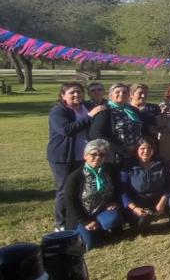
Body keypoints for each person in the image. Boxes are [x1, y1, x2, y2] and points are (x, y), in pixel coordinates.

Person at [49, 83, 106, 231]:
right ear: (63, 96)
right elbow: (66, 130)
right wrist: (89, 116)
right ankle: (61, 224)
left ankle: (77, 218)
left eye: (79, 92)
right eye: (72, 93)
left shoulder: (85, 106)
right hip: (64, 157)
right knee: (64, 189)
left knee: (81, 188)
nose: (76, 95)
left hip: (83, 156)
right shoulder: (59, 111)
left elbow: (101, 104)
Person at [63, 139, 123, 250]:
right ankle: (93, 230)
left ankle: (100, 228)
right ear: (85, 156)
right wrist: (85, 221)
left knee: (113, 219)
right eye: (93, 154)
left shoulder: (109, 170)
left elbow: (117, 188)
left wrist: (114, 201)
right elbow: (69, 202)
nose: (98, 157)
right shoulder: (75, 176)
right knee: (89, 245)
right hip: (82, 215)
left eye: (102, 155)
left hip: (101, 210)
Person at [120, 138, 170, 232]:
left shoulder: (162, 162)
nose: (146, 151)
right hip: (139, 201)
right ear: (136, 150)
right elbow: (123, 191)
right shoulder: (129, 166)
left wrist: (163, 201)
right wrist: (134, 208)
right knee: (141, 228)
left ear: (153, 150)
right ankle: (144, 219)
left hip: (159, 198)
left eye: (149, 148)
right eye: (142, 148)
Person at [89, 83, 142, 164]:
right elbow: (96, 134)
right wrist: (120, 149)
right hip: (114, 155)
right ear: (110, 95)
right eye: (117, 92)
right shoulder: (104, 111)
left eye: (124, 92)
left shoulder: (133, 110)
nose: (121, 94)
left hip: (135, 153)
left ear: (129, 95)